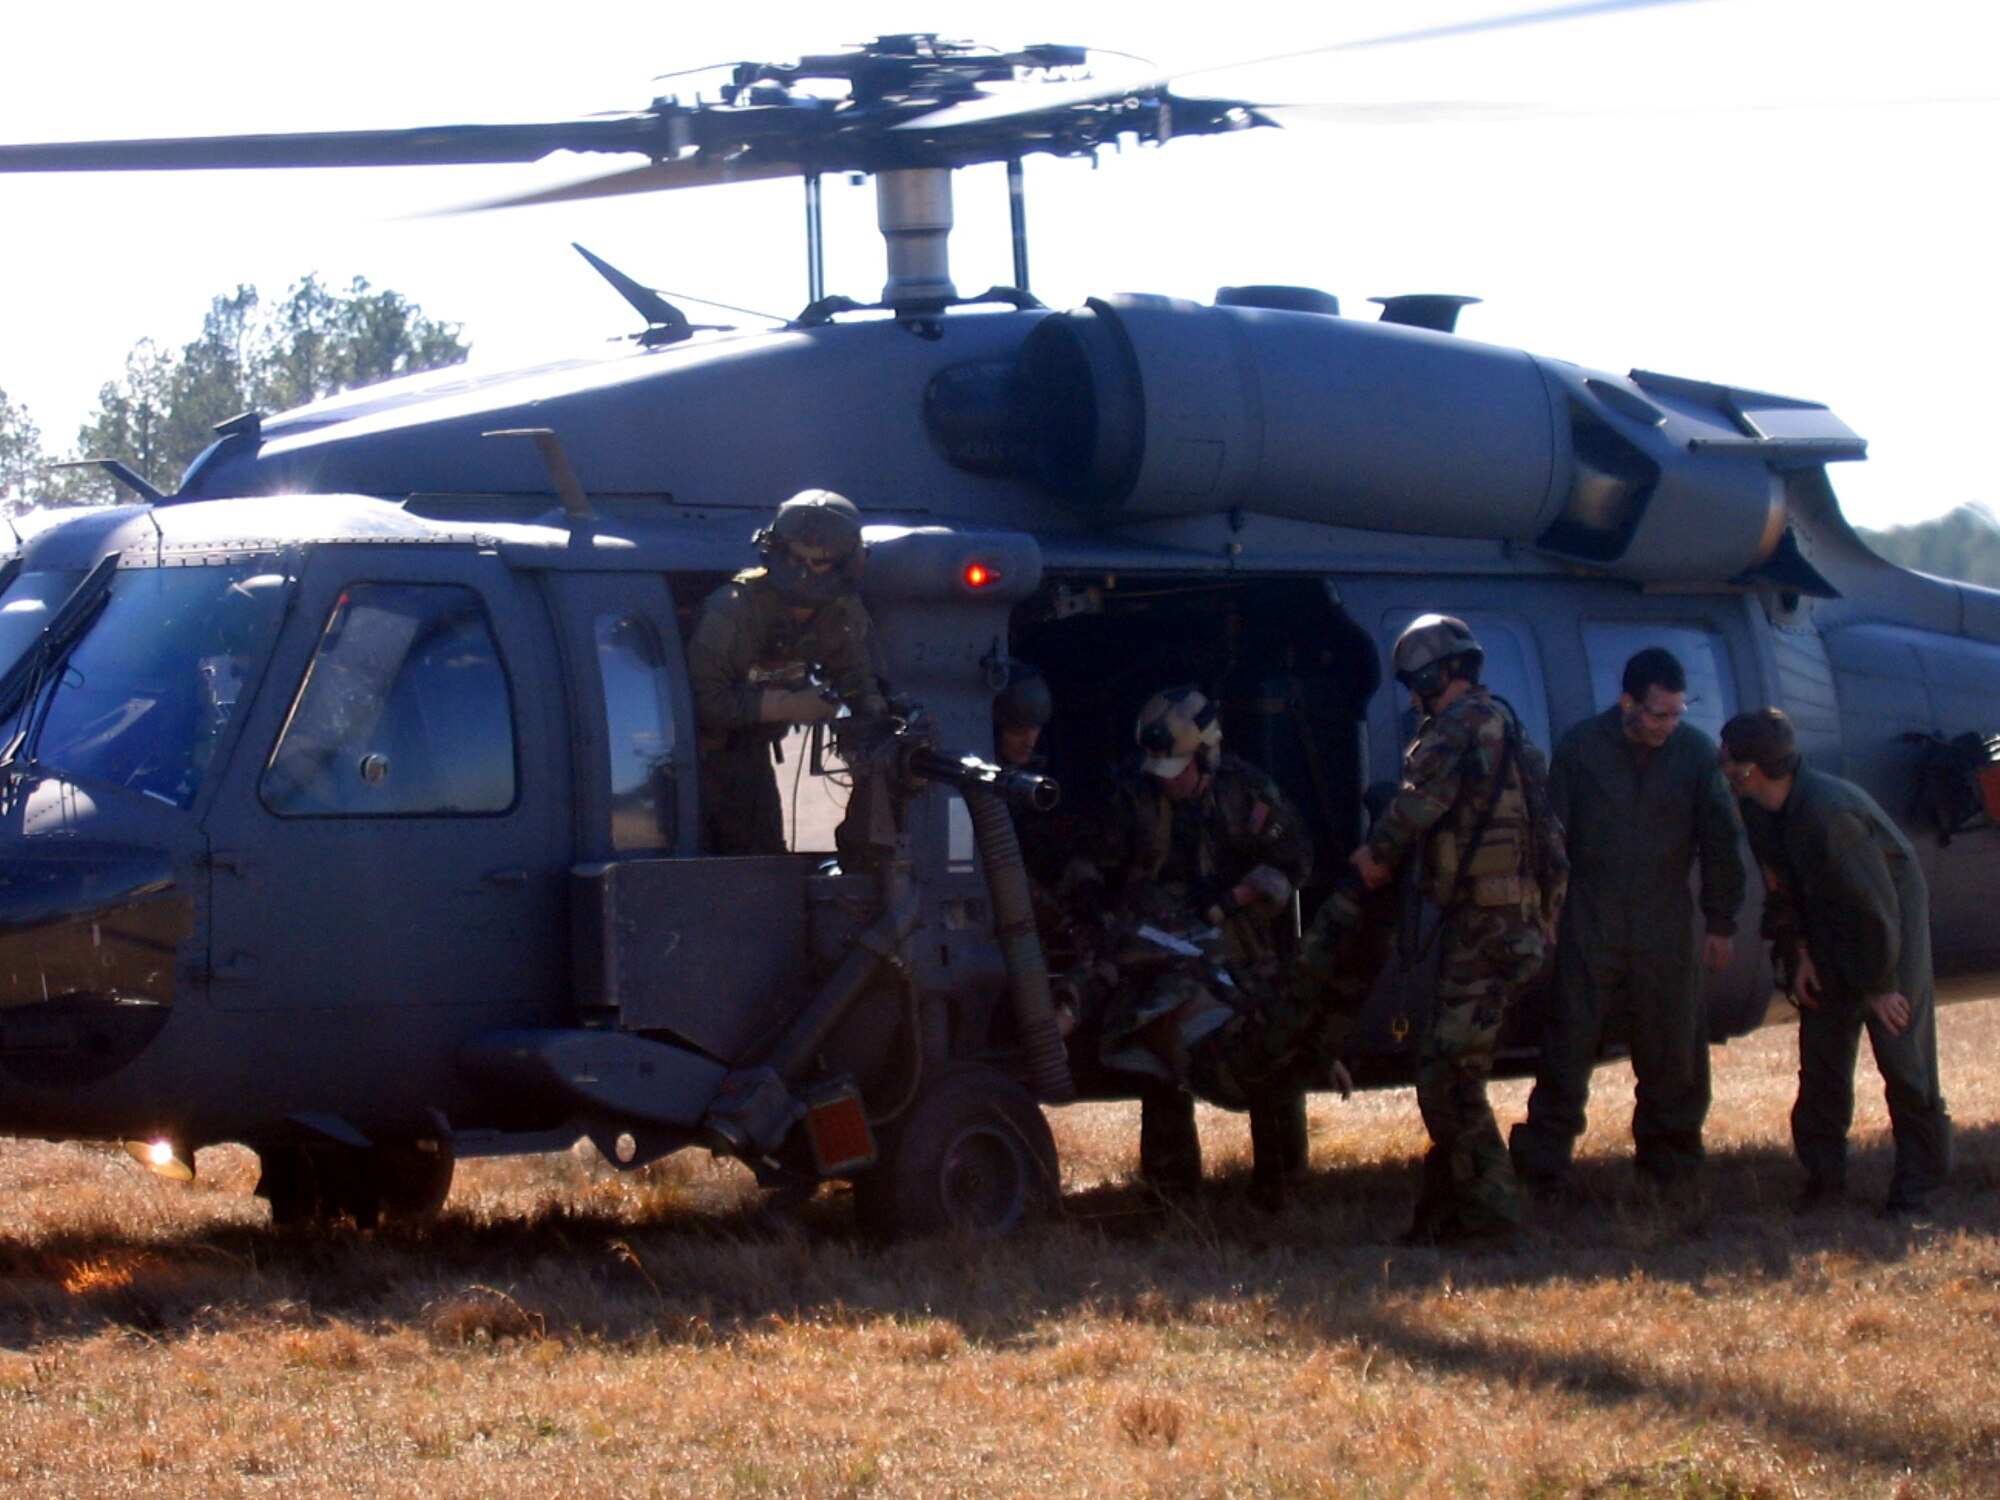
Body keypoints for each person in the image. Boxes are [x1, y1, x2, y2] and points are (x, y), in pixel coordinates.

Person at [1333, 615, 1559, 1243]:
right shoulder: (1512, 731)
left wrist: (1373, 858)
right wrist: (1548, 914)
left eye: (1415, 682)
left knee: (1448, 1078)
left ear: (1437, 675)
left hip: (1485, 929)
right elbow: (1551, 836)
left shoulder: (1457, 728)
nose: (1412, 698)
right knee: (1451, 1064)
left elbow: (1417, 807)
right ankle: (1443, 1213)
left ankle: (1491, 1218)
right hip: (1512, 927)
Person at [1509, 647, 1746, 1193]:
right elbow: (1550, 834)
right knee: (1569, 1040)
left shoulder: (1692, 754)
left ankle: (1672, 1160)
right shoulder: (1583, 748)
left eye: (1677, 713)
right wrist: (1545, 908)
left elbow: (1721, 843)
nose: (1669, 724)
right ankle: (1544, 1159)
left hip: (1664, 917)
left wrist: (1721, 922)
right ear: (1627, 703)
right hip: (1591, 914)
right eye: (1659, 713)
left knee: (1673, 1046)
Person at [1083, 685, 1315, 1202]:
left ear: (1207, 757)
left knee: (1268, 1050)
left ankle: (1281, 1183)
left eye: (1180, 770)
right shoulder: (1133, 793)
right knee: (1163, 1059)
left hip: (1243, 944)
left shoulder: (1247, 791)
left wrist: (1237, 896)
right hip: (1163, 950)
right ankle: (1171, 1190)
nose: (1169, 782)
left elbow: (1296, 859)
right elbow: (1094, 865)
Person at [1718, 708, 1951, 1216]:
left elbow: (1873, 909)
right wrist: (1798, 954)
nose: (1722, 768)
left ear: (1748, 769)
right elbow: (1780, 887)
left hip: (1887, 928)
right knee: (1822, 1054)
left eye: (1727, 760)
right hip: (1825, 924)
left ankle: (1919, 1186)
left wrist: (1881, 985)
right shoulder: (1759, 809)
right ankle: (1824, 1180)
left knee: (1902, 1056)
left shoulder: (1829, 815)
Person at [688, 489, 883, 855]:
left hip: (751, 757)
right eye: (795, 557)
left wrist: (872, 710)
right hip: (702, 762)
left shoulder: (839, 612)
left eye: (818, 561)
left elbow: (853, 671)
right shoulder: (733, 611)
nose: (803, 572)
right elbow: (704, 704)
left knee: (763, 857)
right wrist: (787, 706)